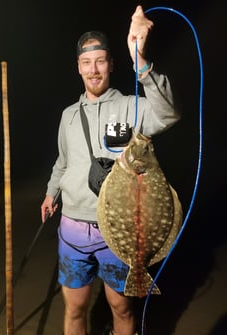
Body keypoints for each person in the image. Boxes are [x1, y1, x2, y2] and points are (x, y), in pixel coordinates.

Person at [41, 5, 180, 335]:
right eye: (86, 62)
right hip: (72, 228)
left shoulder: (131, 106)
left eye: (100, 61)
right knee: (75, 308)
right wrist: (51, 192)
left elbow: (169, 113)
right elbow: (63, 162)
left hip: (117, 231)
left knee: (120, 305)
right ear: (78, 67)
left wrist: (141, 63)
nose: (93, 69)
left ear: (111, 65)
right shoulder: (68, 116)